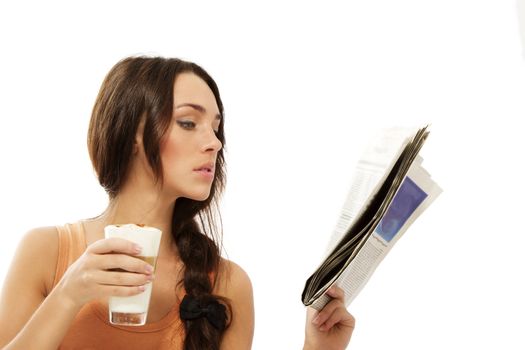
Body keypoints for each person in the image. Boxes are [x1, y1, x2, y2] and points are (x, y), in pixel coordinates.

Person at [0, 56, 355, 350]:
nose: (214, 142)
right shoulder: (47, 252)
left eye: (216, 128)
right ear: (134, 133)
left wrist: (318, 347)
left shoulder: (228, 285)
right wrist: (68, 296)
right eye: (189, 122)